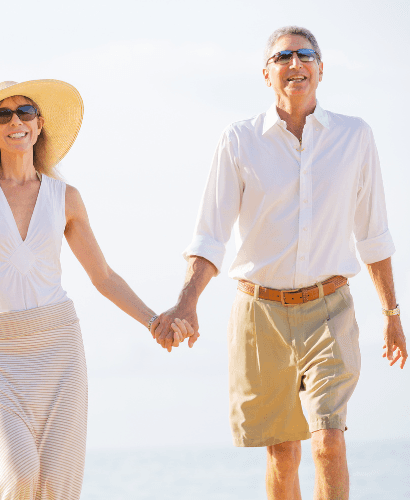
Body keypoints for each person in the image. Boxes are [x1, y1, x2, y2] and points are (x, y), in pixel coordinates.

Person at [151, 26, 407, 500]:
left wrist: (392, 316)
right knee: (283, 452)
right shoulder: (239, 141)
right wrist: (187, 304)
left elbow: (374, 234)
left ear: (321, 69)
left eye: (305, 54)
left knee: (328, 442)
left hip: (330, 309)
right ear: (266, 74)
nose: (295, 63)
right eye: (283, 56)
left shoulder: (355, 137)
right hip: (259, 313)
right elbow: (210, 234)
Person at [0, 79, 194, 500]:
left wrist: (152, 321)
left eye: (25, 112)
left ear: (39, 125)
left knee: (55, 483)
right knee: (17, 472)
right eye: (3, 114)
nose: (15, 121)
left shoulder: (65, 197)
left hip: (58, 347)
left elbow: (103, 276)